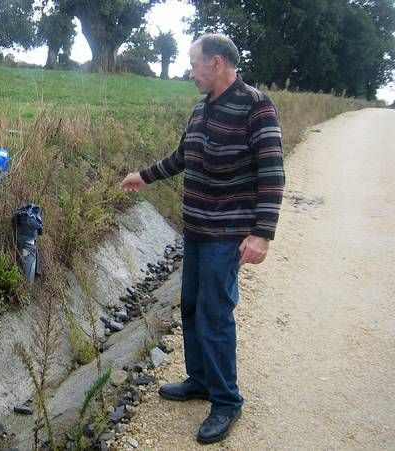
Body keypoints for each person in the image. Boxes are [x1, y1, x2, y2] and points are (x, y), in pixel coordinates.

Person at [119, 33, 285, 444]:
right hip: (194, 230)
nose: (190, 71)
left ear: (216, 63)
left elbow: (272, 172)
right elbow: (183, 157)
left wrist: (261, 233)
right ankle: (200, 380)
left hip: (226, 235)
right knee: (192, 308)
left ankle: (226, 401)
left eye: (194, 64)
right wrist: (143, 176)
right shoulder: (200, 108)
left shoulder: (256, 106)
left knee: (214, 315)